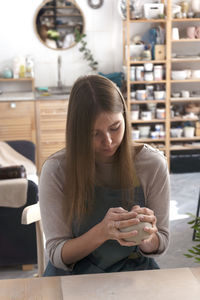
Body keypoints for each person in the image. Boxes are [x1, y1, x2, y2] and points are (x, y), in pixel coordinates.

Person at [39, 74, 170, 276]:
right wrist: (102, 232)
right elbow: (57, 253)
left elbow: (160, 244)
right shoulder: (57, 170)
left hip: (134, 273)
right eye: (94, 133)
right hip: (75, 277)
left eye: (115, 128)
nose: (108, 141)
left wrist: (147, 235)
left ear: (125, 118)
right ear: (77, 133)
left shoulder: (151, 164)